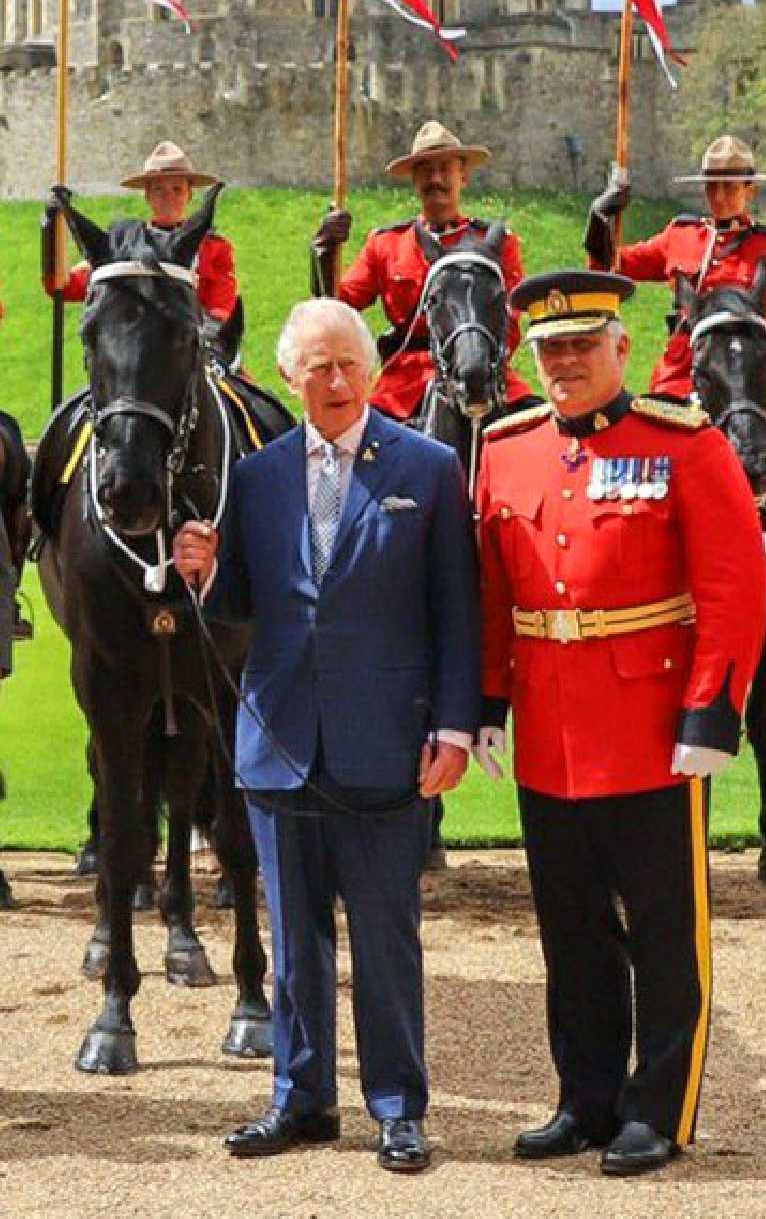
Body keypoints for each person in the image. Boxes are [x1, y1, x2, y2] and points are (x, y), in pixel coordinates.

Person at [172, 299, 480, 1173]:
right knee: (295, 945)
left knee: (385, 936)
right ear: (289, 376)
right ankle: (299, 1100)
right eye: (318, 367)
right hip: (278, 742)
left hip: (386, 743)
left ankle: (397, 1106)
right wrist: (203, 573)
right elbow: (239, 606)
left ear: (373, 368)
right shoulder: (259, 477)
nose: (337, 381)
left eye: (349, 363)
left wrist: (454, 728)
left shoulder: (429, 467)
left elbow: (458, 612)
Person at [472, 270, 766, 1176]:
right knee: (570, 931)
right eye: (549, 350)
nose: (564, 363)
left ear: (620, 350)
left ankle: (661, 1108)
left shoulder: (684, 444)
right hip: (551, 732)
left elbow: (733, 585)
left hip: (650, 725)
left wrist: (711, 709)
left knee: (664, 931)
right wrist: (488, 703)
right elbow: (491, 590)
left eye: (581, 346)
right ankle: (586, 1098)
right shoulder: (507, 446)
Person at [311, 120, 534, 423]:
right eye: (426, 170)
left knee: (539, 428)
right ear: (414, 180)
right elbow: (338, 305)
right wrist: (325, 252)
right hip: (407, 384)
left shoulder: (495, 244)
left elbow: (509, 321)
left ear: (463, 175)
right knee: (356, 441)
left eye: (445, 168)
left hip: (481, 367)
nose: (436, 179)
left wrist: (478, 364)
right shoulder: (386, 244)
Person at [583, 134, 766, 415]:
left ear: (750, 190)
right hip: (685, 371)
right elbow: (614, 268)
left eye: (729, 188)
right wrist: (601, 221)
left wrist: (755, 347)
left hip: (747, 366)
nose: (719, 197)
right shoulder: (681, 235)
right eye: (711, 188)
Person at [42, 141, 238, 321]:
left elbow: (220, 306)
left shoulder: (214, 248)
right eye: (159, 189)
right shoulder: (124, 247)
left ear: (189, 195)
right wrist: (53, 228)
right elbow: (64, 286)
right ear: (147, 196)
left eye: (177, 189)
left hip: (192, 345)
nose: (168, 196)